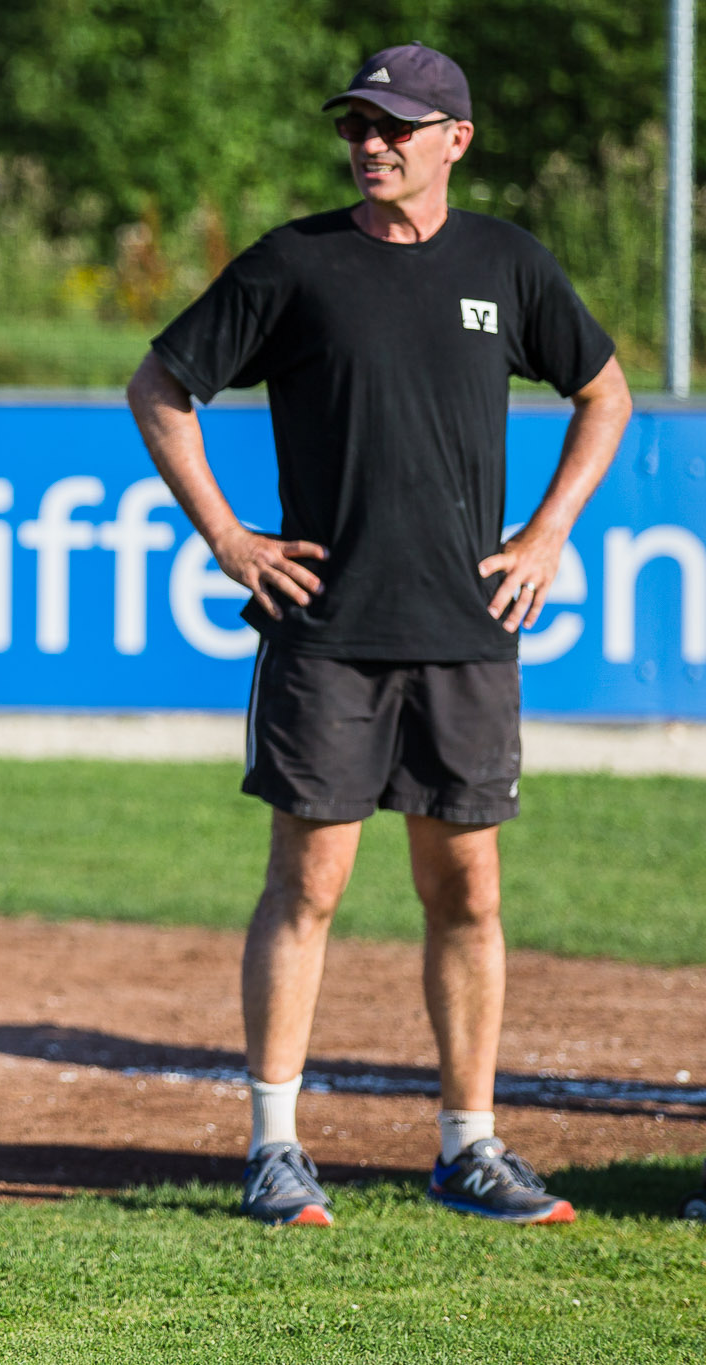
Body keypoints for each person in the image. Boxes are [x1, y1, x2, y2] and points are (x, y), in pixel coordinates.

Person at [126, 44, 632, 1228]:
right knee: (306, 882)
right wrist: (227, 539)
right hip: (325, 631)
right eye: (356, 124)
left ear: (454, 140)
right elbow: (159, 386)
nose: (369, 143)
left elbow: (601, 393)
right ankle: (273, 1148)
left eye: (394, 126)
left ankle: (467, 1148)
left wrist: (546, 532)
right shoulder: (294, 262)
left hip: (467, 629)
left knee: (466, 888)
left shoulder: (506, 262)